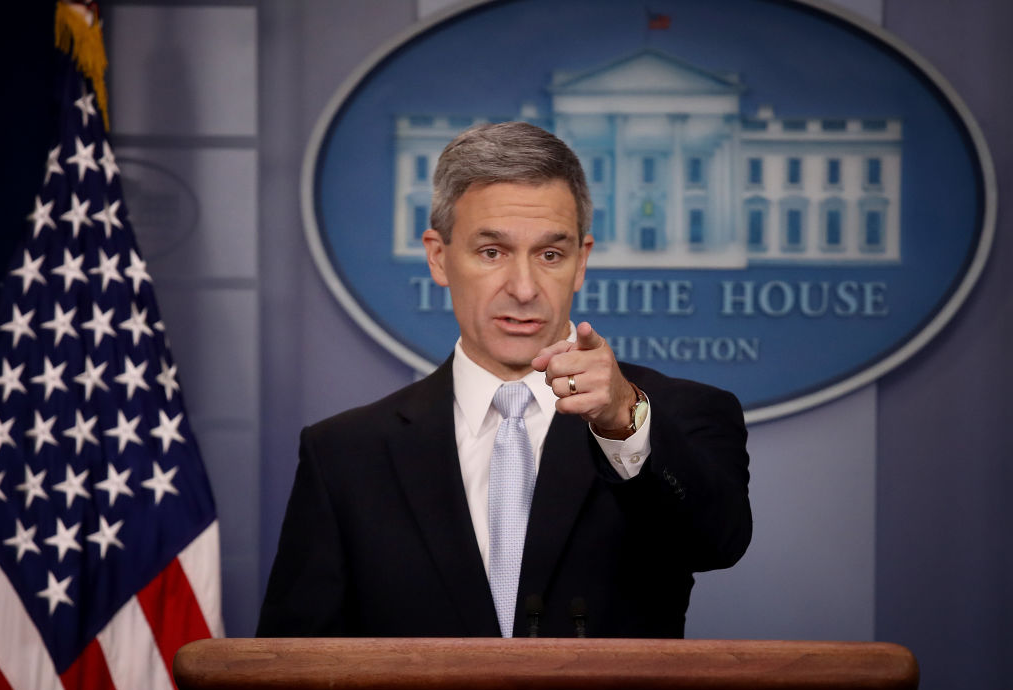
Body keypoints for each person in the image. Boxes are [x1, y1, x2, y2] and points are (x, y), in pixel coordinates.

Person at [257, 122, 751, 638]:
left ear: (581, 263)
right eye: (492, 252)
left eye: (550, 255)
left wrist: (622, 423)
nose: (523, 288)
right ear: (439, 257)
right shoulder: (343, 454)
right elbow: (290, 670)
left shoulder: (672, 415)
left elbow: (718, 544)